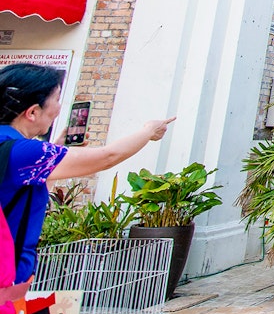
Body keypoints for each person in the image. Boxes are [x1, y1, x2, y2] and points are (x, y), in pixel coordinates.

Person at [0, 63, 174, 286]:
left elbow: (22, 194)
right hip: (7, 279)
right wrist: (148, 131)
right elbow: (107, 157)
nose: (59, 108)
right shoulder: (24, 153)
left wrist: (58, 148)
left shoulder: (16, 151)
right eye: (56, 99)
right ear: (33, 112)